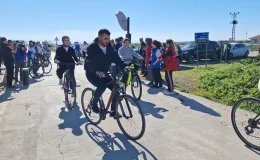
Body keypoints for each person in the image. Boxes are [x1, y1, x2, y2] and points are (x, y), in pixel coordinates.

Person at [84, 29, 127, 118]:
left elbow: (117, 58)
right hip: (92, 73)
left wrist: (124, 66)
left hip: (104, 73)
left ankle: (113, 111)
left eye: (108, 38)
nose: (107, 41)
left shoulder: (109, 47)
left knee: (116, 89)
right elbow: (89, 62)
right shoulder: (92, 47)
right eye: (105, 38)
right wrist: (96, 71)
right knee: (101, 86)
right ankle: (93, 104)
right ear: (99, 37)